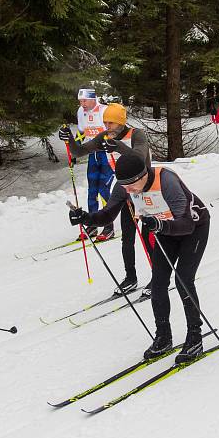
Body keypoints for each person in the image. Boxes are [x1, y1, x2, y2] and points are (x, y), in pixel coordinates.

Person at [68, 154, 210, 364]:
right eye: (123, 185)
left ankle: (195, 337)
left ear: (143, 175)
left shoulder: (167, 181)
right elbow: (108, 215)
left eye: (131, 185)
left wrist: (160, 226)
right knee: (159, 282)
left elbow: (186, 224)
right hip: (165, 230)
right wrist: (86, 217)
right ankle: (163, 336)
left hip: (192, 228)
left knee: (183, 279)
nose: (127, 190)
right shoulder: (125, 186)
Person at [60, 103, 153, 296]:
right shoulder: (104, 136)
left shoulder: (137, 134)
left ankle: (159, 275)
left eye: (111, 123)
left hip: (144, 185)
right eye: (105, 122)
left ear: (120, 122)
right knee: (127, 237)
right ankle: (131, 278)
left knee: (147, 236)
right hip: (123, 185)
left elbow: (140, 157)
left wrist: (117, 145)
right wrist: (69, 139)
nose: (107, 126)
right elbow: (79, 151)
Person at [75, 88, 113, 241]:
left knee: (104, 189)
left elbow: (116, 130)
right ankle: (92, 224)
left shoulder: (105, 110)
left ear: (92, 99)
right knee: (92, 189)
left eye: (84, 100)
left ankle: (108, 226)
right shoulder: (81, 112)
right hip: (93, 154)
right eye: (80, 101)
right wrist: (74, 150)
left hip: (107, 155)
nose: (82, 104)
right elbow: (81, 132)